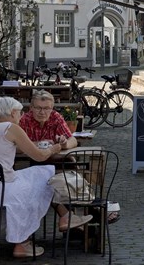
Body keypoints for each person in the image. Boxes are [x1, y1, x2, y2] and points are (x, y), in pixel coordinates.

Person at [0, 96, 91, 258]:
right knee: (47, 173)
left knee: (38, 176)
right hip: (0, 190)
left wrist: (35, 145)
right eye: (19, 113)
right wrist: (54, 148)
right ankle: (23, 243)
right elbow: (39, 156)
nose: (20, 116)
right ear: (12, 113)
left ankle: (65, 217)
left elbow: (10, 147)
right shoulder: (11, 127)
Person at [19, 90, 98, 227]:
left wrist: (64, 143)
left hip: (57, 162)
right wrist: (34, 145)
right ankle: (71, 218)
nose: (42, 112)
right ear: (31, 108)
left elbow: (72, 139)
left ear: (52, 108)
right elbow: (17, 146)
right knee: (45, 183)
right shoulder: (25, 120)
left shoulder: (55, 117)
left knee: (73, 171)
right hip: (35, 164)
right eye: (38, 108)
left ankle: (83, 213)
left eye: (46, 108)